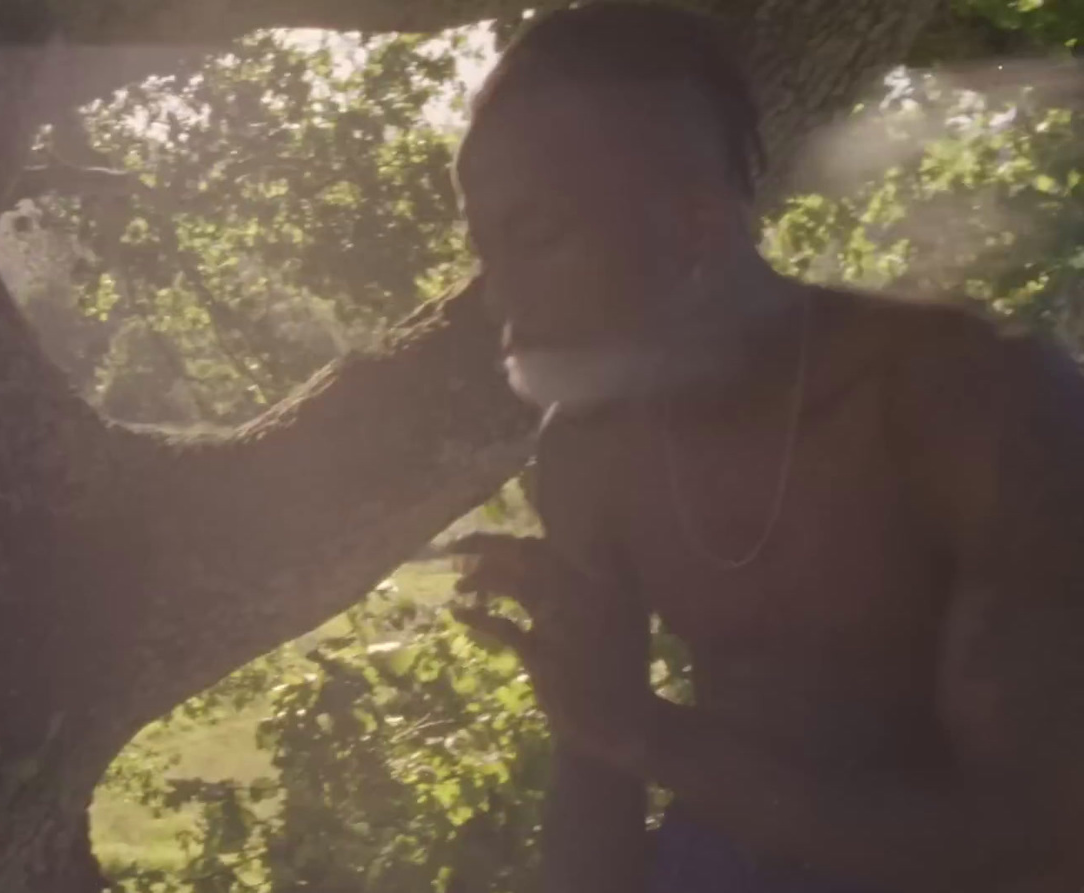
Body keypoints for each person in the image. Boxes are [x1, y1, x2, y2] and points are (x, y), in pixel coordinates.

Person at [445, 4, 1084, 892]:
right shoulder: (590, 454)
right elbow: (595, 784)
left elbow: (1040, 843)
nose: (496, 300)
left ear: (696, 227)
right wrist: (607, 718)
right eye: (486, 248)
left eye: (537, 237)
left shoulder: (976, 402)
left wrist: (638, 728)